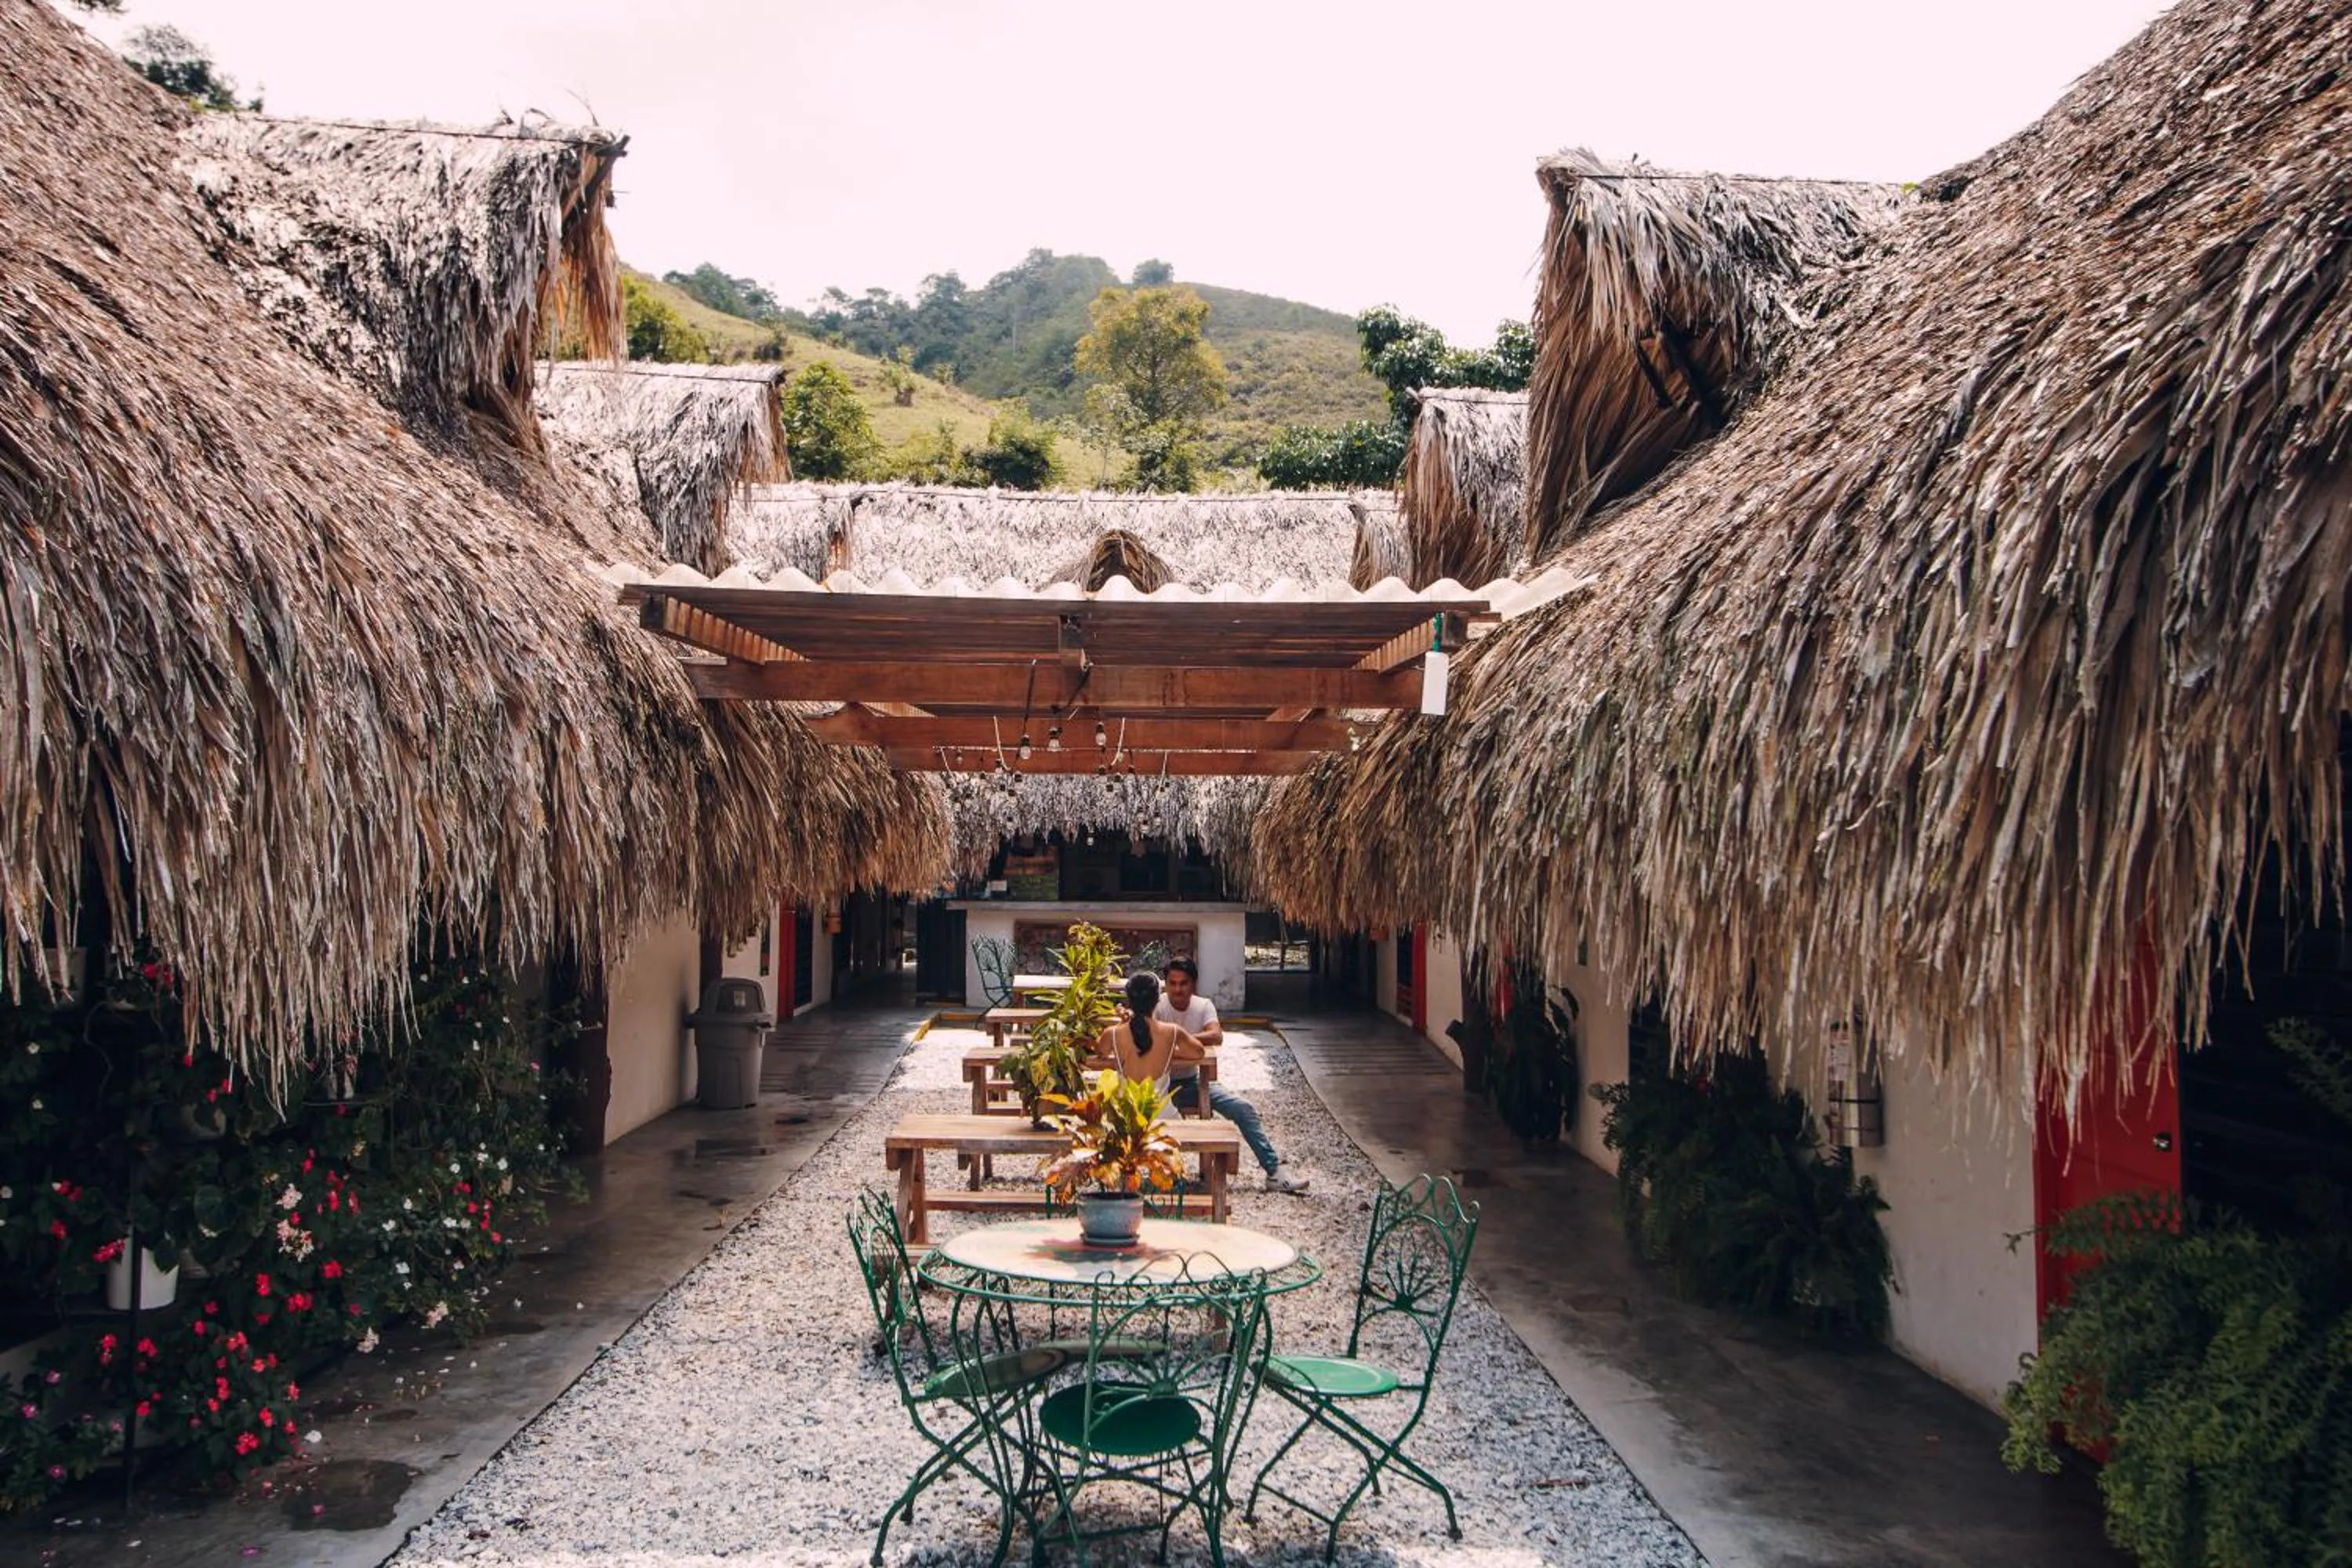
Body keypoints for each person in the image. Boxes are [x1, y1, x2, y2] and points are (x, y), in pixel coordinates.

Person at [1156, 958, 1310, 1193]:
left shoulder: (1203, 1005)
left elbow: (1216, 1035)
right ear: (1165, 984)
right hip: (1158, 1087)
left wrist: (1179, 1038)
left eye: (1183, 983)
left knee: (1243, 1108)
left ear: (1193, 984)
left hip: (1191, 1083)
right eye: (1172, 983)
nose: (1177, 989)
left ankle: (1274, 1172)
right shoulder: (1157, 1006)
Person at [1094, 971, 1205, 1104]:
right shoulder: (1173, 1031)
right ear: (1158, 999)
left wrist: (1122, 1022)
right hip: (1161, 1113)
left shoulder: (1112, 1033)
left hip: (1127, 1115)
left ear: (1129, 1000)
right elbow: (1198, 1052)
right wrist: (1167, 1051)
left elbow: (1101, 1051)